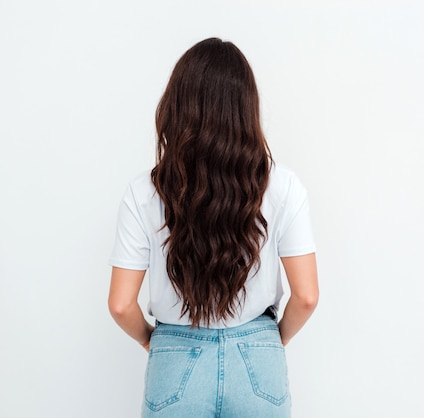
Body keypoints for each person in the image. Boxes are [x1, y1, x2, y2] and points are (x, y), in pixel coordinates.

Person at [107, 37, 319, 418]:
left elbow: (121, 304)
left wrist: (152, 342)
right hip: (259, 355)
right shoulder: (284, 186)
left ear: (176, 106)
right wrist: (269, 341)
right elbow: (306, 297)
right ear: (246, 109)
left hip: (174, 358)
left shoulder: (143, 192)